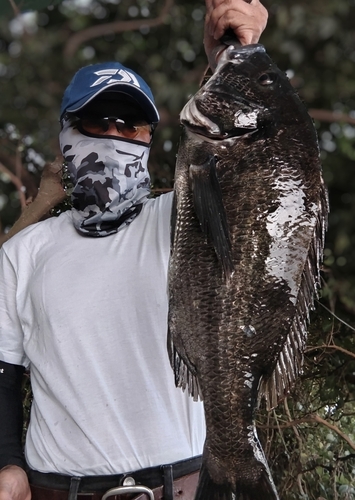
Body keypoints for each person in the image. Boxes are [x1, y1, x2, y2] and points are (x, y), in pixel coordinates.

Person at [0, 1, 268, 500]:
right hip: (59, 490)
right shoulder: (24, 252)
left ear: (149, 139)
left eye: (131, 127)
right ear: (65, 136)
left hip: (186, 486)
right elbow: (4, 373)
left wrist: (236, 57)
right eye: (97, 122)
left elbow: (247, 166)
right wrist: (7, 465)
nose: (115, 136)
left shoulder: (182, 221)